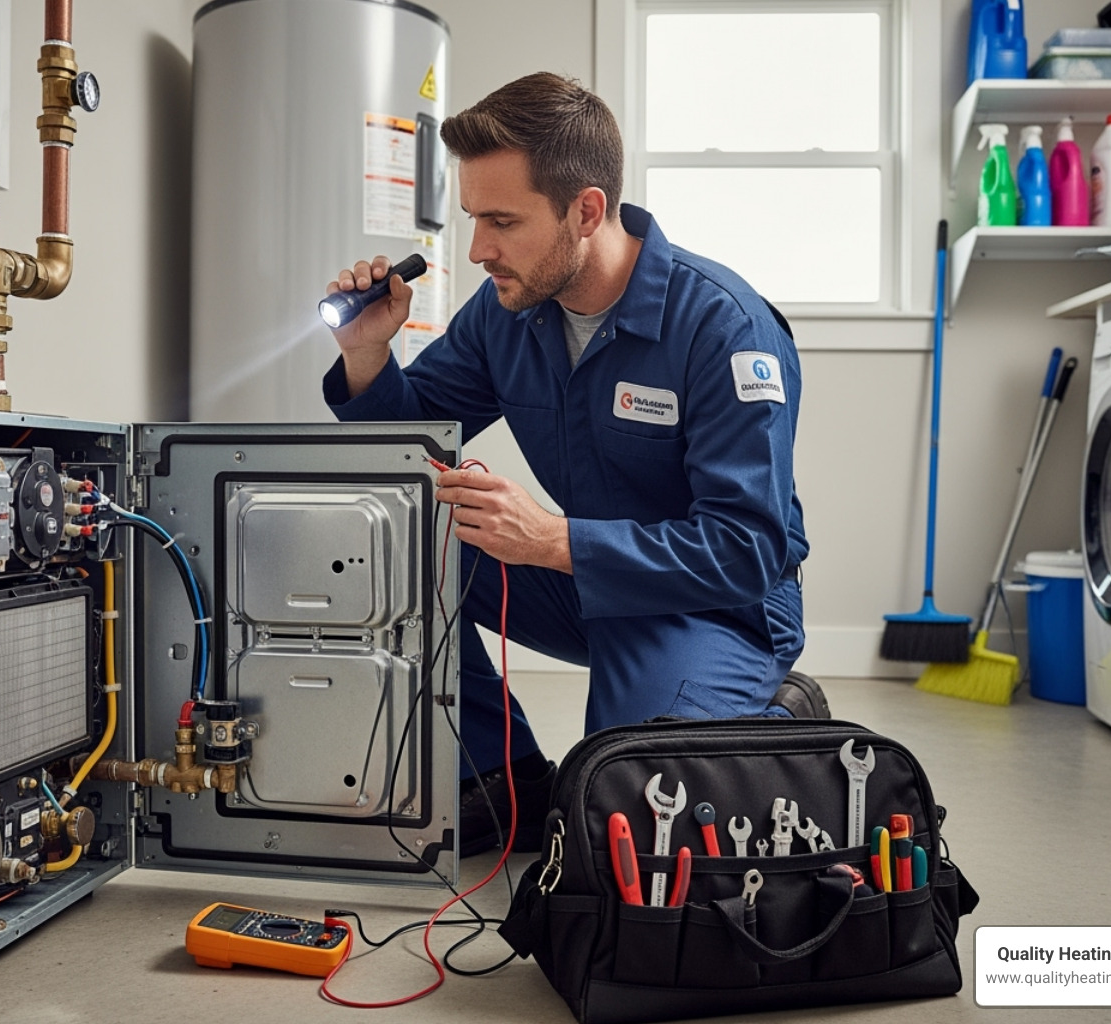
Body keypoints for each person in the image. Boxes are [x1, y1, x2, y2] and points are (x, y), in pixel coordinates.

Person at [322, 73, 818, 857]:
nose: (479, 249)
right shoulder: (505, 313)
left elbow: (746, 549)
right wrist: (367, 355)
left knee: (622, 807)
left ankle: (776, 713)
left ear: (586, 210)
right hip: (587, 585)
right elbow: (407, 452)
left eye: (502, 221)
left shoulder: (723, 328)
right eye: (473, 219)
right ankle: (503, 777)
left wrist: (555, 541)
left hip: (720, 606)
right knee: (397, 532)